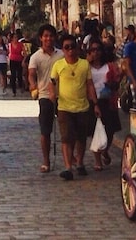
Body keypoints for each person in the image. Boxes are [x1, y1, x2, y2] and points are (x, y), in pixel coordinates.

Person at [50, 34, 95, 180]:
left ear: (77, 48)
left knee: (81, 138)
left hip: (82, 106)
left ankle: (80, 163)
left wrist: (95, 103)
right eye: (66, 47)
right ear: (63, 50)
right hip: (64, 107)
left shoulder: (84, 64)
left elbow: (89, 84)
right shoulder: (58, 65)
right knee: (66, 138)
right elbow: (52, 82)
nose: (70, 50)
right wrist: (52, 96)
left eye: (72, 47)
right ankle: (68, 167)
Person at [28, 24, 63, 174]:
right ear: (41, 38)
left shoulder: (61, 54)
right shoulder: (36, 57)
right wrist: (32, 85)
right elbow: (31, 74)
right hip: (44, 95)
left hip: (63, 95)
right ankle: (46, 160)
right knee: (45, 131)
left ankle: (72, 158)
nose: (48, 38)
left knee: (67, 128)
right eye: (45, 36)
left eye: (51, 35)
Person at [87, 43, 121, 171]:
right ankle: (97, 160)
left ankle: (105, 150)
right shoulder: (86, 67)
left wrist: (113, 84)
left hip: (108, 100)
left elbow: (117, 81)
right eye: (93, 50)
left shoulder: (110, 66)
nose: (96, 52)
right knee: (96, 131)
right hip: (93, 100)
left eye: (98, 49)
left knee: (110, 130)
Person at [8, 30, 26, 96]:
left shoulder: (20, 44)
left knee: (19, 75)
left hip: (19, 60)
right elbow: (8, 53)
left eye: (16, 37)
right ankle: (14, 91)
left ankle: (21, 87)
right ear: (12, 38)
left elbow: (25, 53)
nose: (16, 39)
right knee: (13, 76)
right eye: (14, 37)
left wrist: (23, 60)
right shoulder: (10, 45)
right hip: (12, 61)